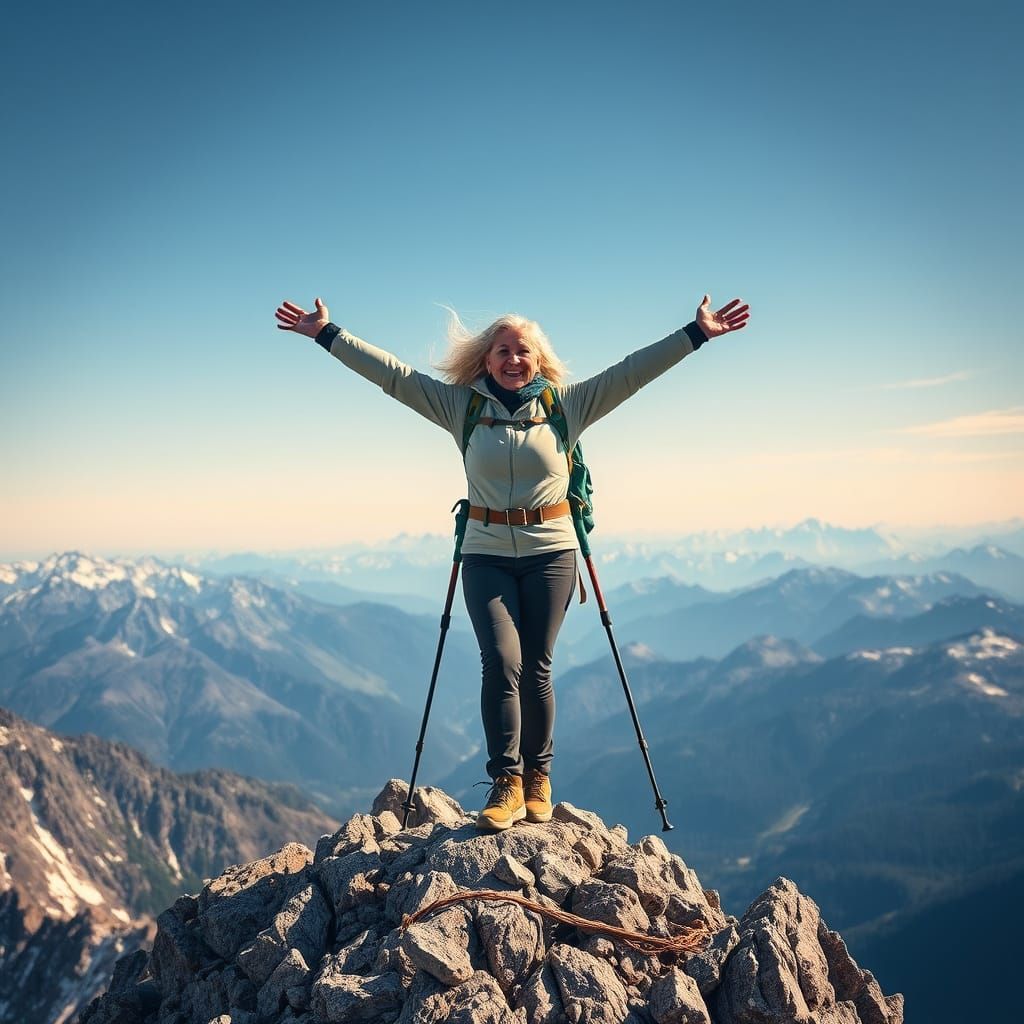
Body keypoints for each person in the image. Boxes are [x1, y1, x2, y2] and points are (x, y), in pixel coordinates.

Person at [274, 295, 750, 831]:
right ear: (486, 359)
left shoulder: (569, 405)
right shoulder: (463, 408)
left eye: (522, 351)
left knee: (537, 666)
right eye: (502, 350)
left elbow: (632, 372)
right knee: (502, 662)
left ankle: (538, 777)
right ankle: (507, 781)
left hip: (552, 553)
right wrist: (327, 334)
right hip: (485, 553)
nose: (513, 359)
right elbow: (395, 376)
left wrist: (696, 333)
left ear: (538, 359)